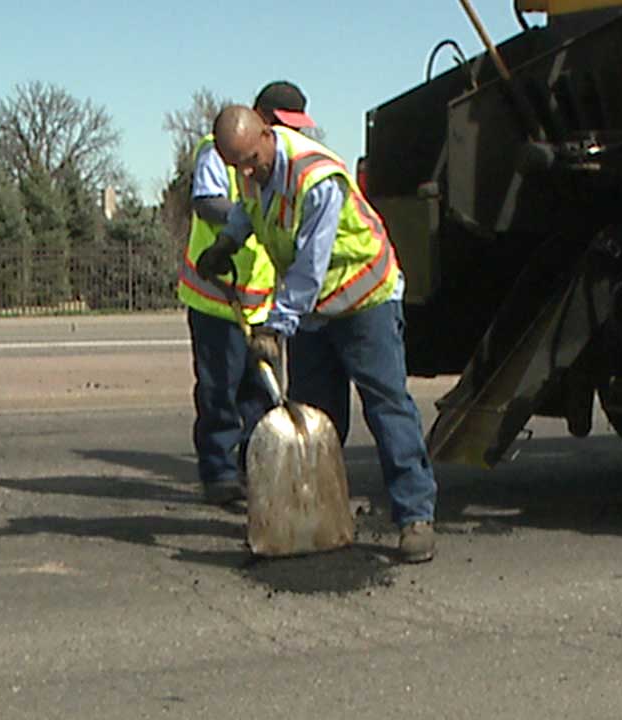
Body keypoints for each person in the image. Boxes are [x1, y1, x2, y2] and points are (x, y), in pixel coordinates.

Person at [196, 105, 438, 563]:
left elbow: (311, 265)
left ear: (268, 134)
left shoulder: (317, 176)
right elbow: (250, 211)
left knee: (387, 406)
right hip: (312, 311)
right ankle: (312, 519)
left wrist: (276, 323)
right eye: (237, 166)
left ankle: (415, 516)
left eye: (251, 160)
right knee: (311, 416)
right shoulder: (252, 170)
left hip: (363, 297)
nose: (247, 171)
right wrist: (227, 241)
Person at [178, 82, 317, 506]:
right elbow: (207, 201)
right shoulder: (217, 151)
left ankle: (255, 469)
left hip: (261, 303)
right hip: (217, 297)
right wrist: (248, 221)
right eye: (278, 123)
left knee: (259, 393)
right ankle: (218, 473)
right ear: (259, 119)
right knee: (220, 390)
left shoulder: (288, 165)